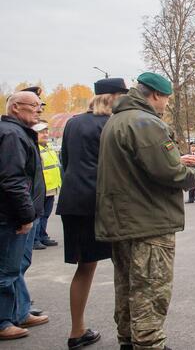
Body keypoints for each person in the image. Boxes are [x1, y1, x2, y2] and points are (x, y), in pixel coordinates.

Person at [95, 72, 195, 350]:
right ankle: (149, 343)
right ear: (155, 95)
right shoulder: (145, 123)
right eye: (166, 98)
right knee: (150, 290)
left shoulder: (117, 120)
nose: (166, 103)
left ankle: (128, 340)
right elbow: (168, 171)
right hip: (148, 222)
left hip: (123, 220)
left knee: (128, 286)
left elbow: (138, 165)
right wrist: (192, 175)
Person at [56, 78, 128, 349]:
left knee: (84, 267)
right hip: (100, 203)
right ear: (113, 97)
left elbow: (66, 160)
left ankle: (77, 330)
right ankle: (131, 331)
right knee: (125, 266)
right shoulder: (111, 124)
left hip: (73, 202)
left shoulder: (73, 122)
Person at [0, 91, 49, 341]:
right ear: (17, 108)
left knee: (17, 267)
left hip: (21, 213)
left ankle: (19, 311)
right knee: (6, 271)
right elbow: (13, 179)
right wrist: (26, 214)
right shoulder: (11, 134)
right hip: (12, 216)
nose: (39, 110)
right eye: (35, 106)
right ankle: (2, 321)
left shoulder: (18, 133)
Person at [33, 121, 61, 249]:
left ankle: (42, 235)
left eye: (46, 131)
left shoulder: (48, 146)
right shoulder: (35, 148)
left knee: (46, 214)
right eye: (41, 132)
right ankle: (35, 239)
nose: (45, 134)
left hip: (51, 187)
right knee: (39, 214)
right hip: (41, 188)